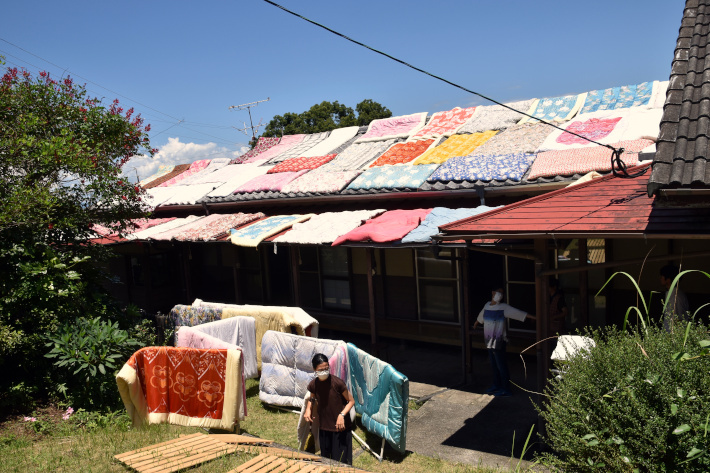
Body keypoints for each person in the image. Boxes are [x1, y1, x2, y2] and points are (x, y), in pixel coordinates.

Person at [472, 285, 536, 397]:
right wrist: (475, 324)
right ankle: (496, 385)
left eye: (502, 294)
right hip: (488, 341)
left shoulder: (503, 307)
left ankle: (506, 388)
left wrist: (534, 317)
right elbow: (480, 317)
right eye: (498, 292)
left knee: (501, 366)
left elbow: (518, 313)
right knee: (494, 365)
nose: (500, 295)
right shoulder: (487, 305)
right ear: (493, 293)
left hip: (499, 341)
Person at [303, 353, 355, 465]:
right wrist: (308, 409)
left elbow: (351, 401)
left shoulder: (338, 383)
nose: (324, 372)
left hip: (340, 428)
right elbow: (312, 397)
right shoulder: (314, 384)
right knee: (326, 461)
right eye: (321, 370)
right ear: (314, 370)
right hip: (324, 427)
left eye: (326, 368)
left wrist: (342, 415)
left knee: (341, 462)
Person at [660, 264, 690, 332]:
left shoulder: (677, 296)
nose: (660, 278)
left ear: (668, 279)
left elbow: (680, 318)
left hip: (674, 334)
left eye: (662, 276)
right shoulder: (670, 293)